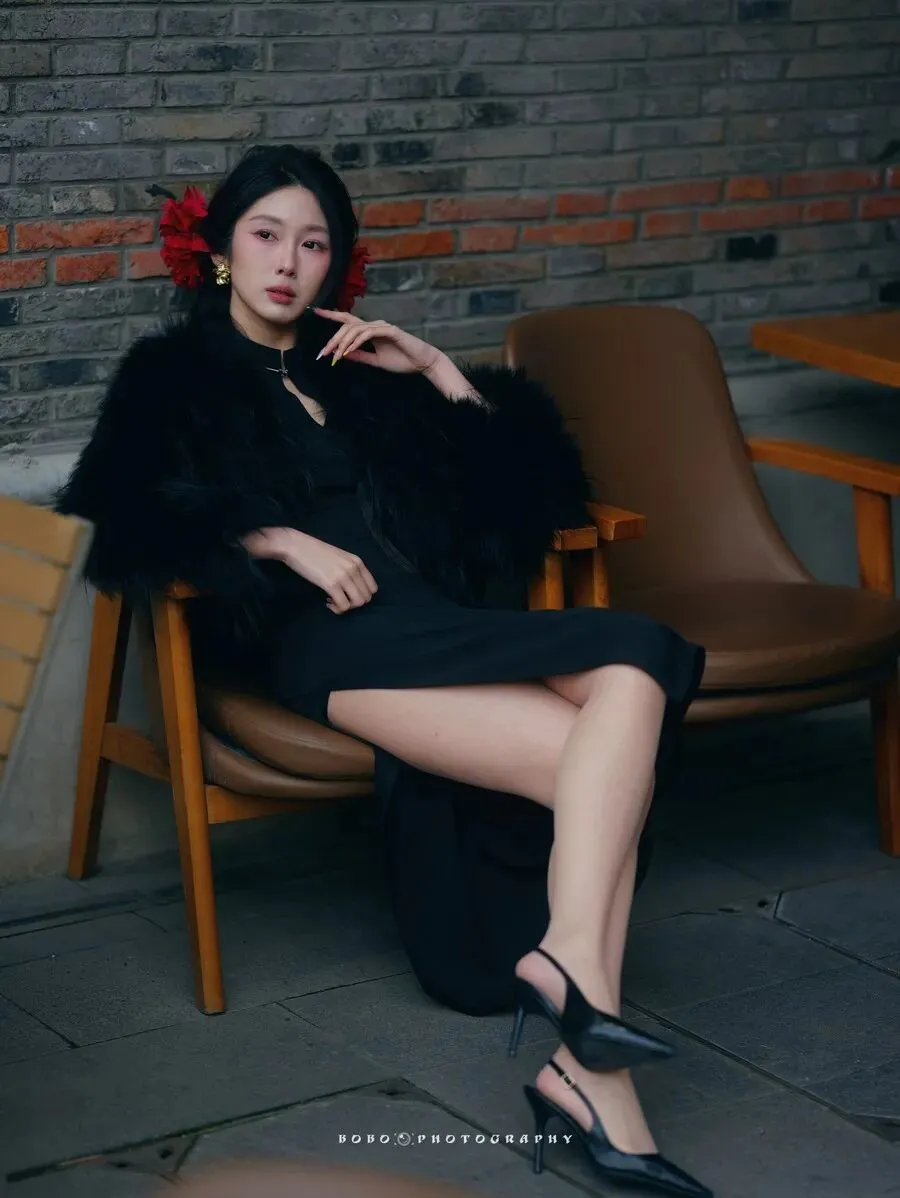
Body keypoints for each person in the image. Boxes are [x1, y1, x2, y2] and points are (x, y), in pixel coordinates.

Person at [56, 145, 710, 1197]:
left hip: (428, 620)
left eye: (313, 244)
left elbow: (532, 501)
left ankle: (579, 1015)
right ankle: (589, 1047)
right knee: (622, 721)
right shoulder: (170, 376)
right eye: (266, 235)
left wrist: (440, 375)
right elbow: (120, 515)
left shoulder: (361, 372)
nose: (287, 262)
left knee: (628, 696)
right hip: (326, 641)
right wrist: (276, 539)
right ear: (221, 249)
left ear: (337, 263)